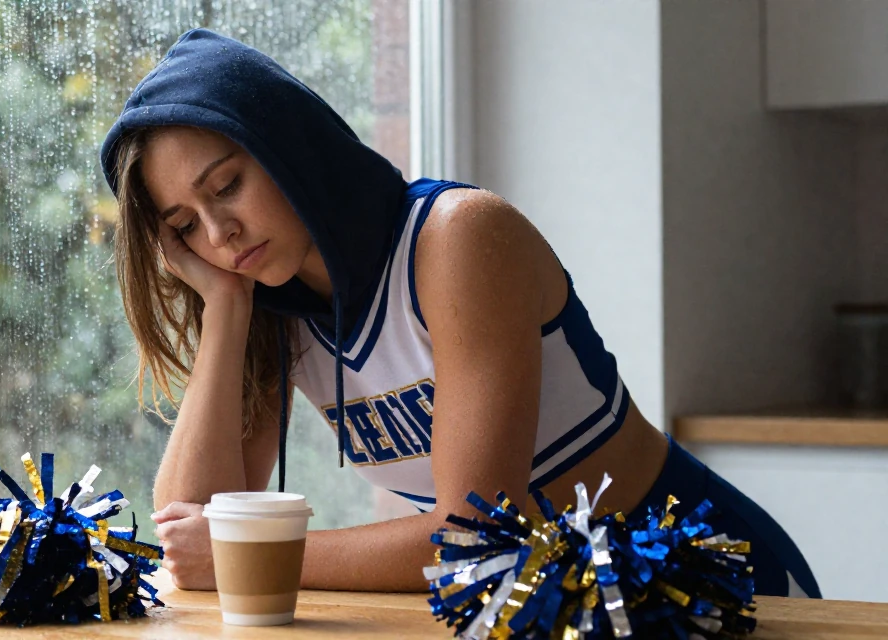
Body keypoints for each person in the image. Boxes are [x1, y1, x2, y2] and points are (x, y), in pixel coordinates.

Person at [99, 28, 820, 598]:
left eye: (225, 185)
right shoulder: (269, 303)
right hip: (541, 610)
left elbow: (478, 533)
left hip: (701, 580)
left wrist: (250, 554)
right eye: (185, 225)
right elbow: (186, 530)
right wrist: (225, 308)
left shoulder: (457, 238)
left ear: (286, 145)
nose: (217, 234)